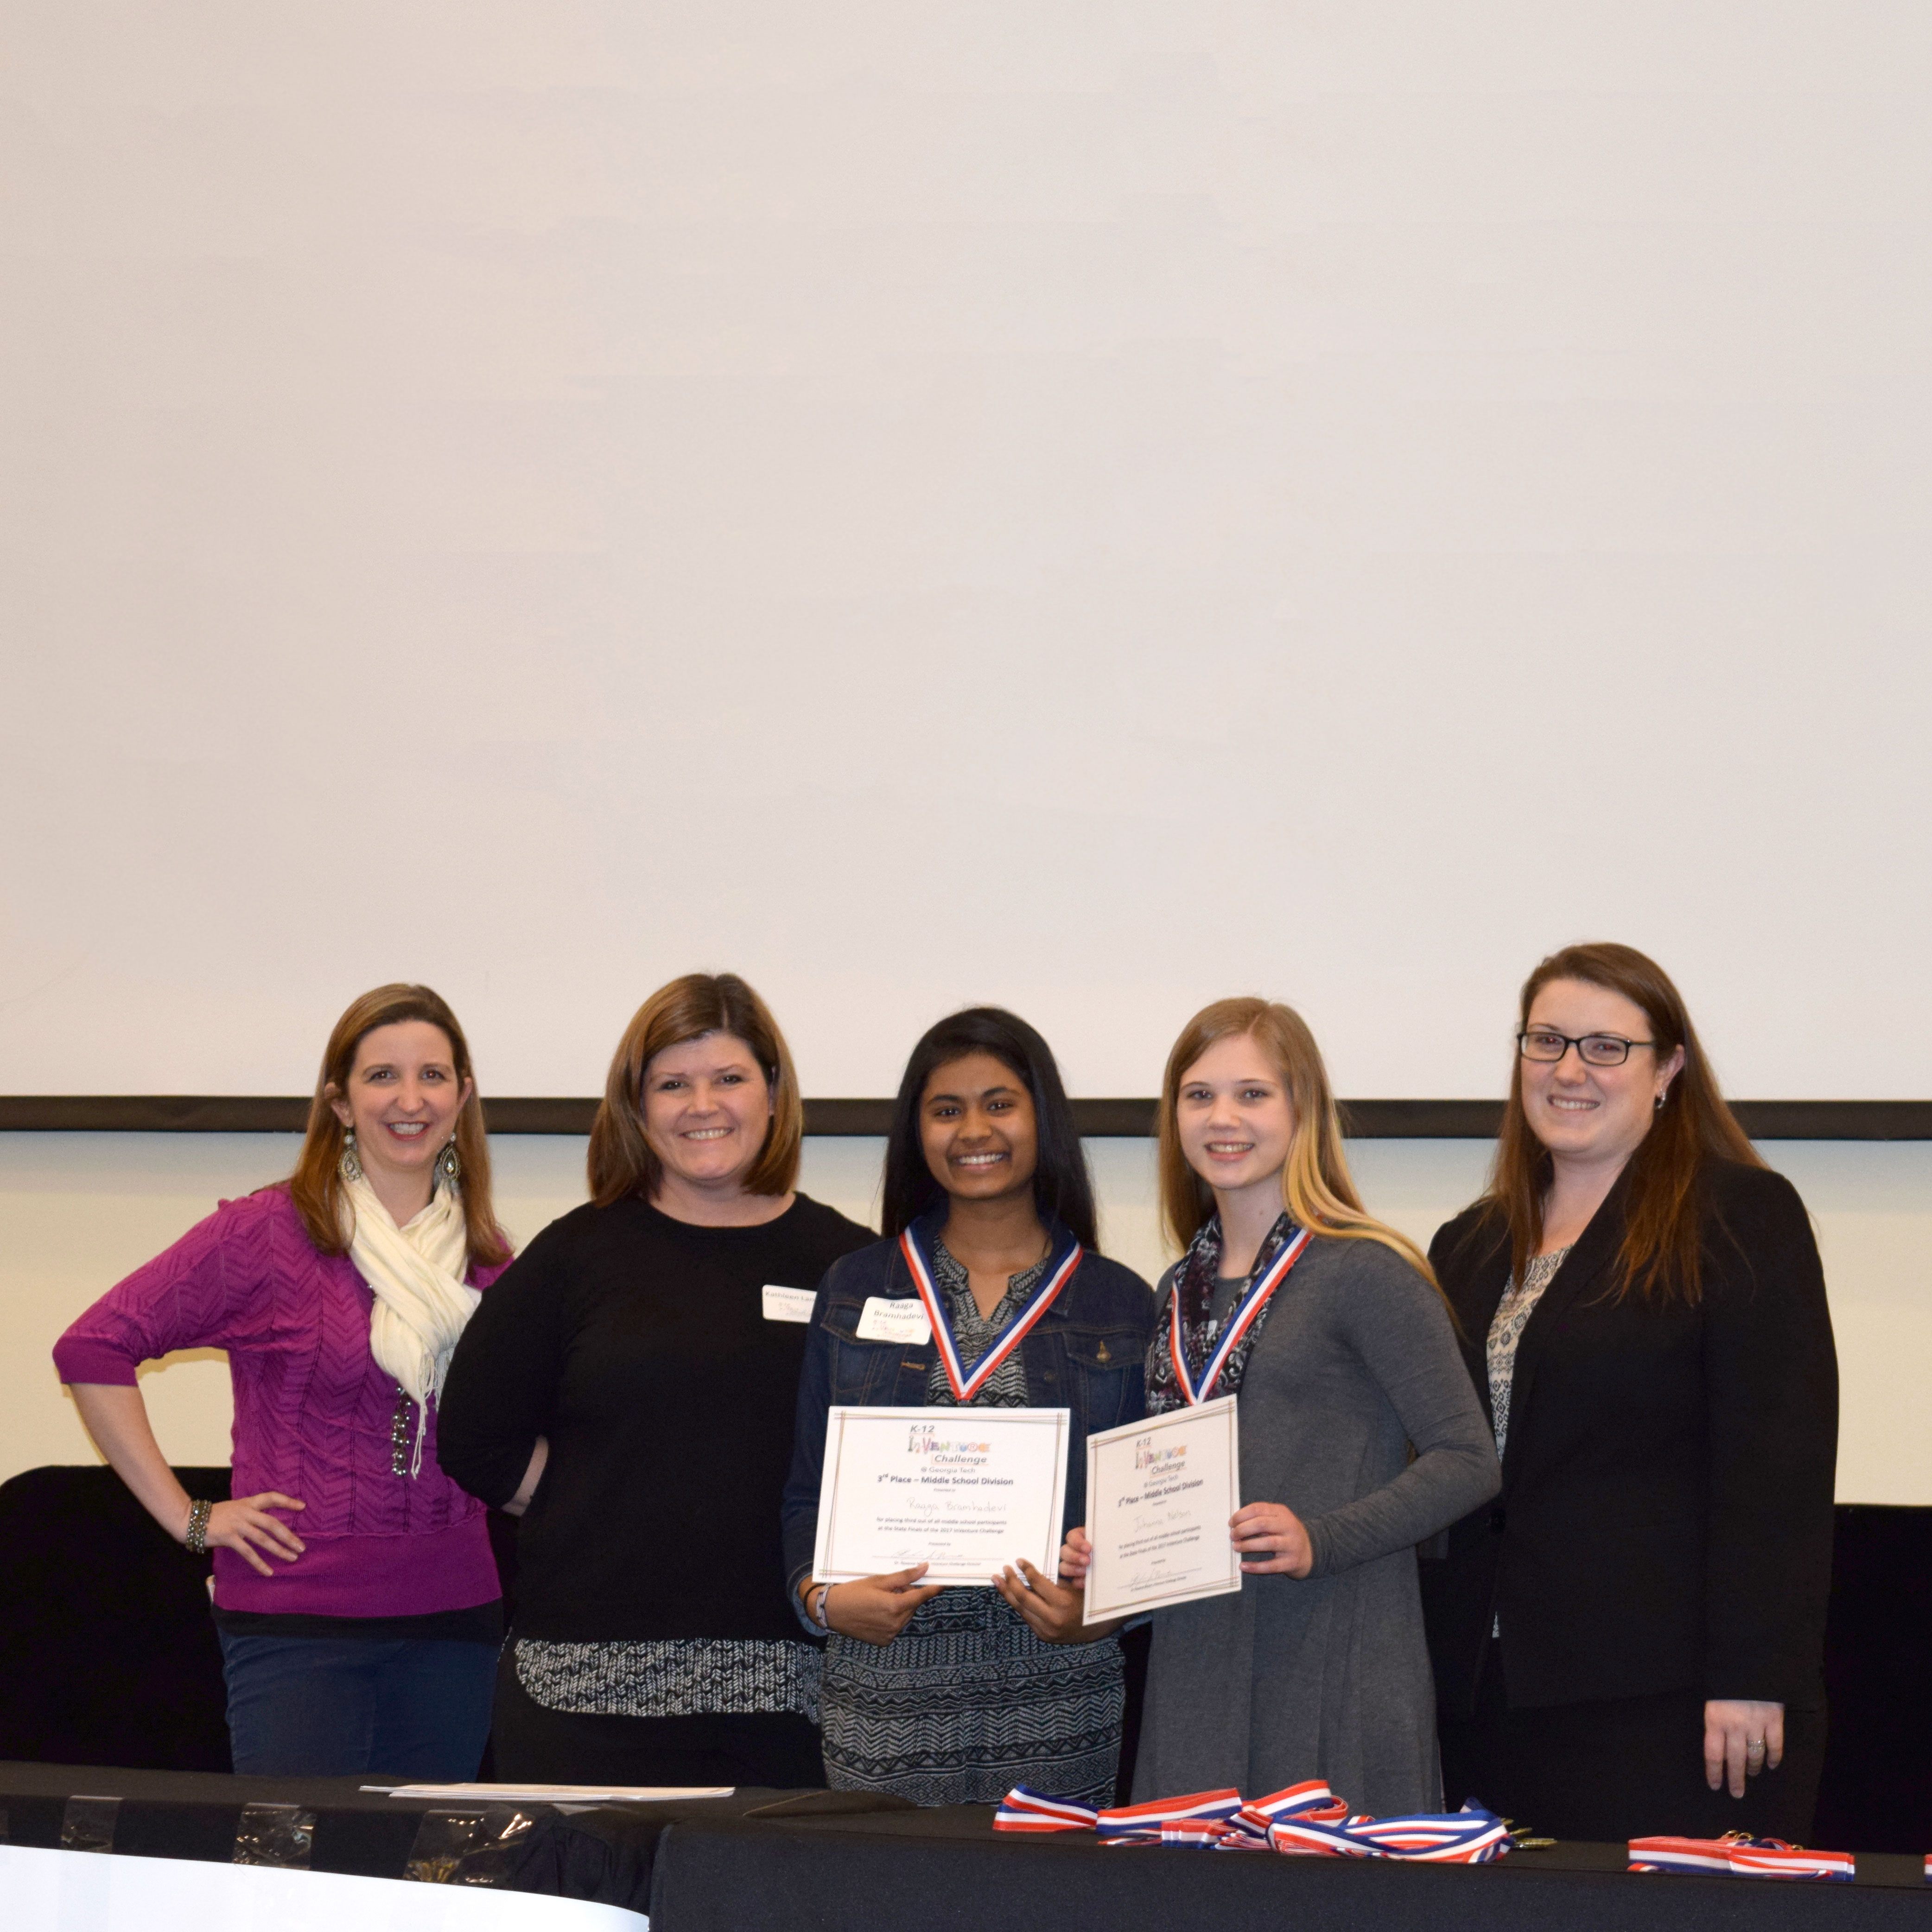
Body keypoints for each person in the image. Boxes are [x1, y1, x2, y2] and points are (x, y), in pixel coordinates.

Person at [1422, 942, 1838, 1842]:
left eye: (1605, 1046)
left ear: (1667, 1070)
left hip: (1663, 1700)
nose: (1569, 1069)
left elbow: (1777, 1465)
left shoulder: (1738, 1217)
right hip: (1481, 1696)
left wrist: (1752, 1673)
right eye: (1546, 1041)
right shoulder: (1465, 1243)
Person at [54, 985, 513, 1778]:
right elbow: (92, 1348)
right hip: (297, 1624)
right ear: (339, 1100)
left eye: (433, 1075)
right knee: (294, 1880)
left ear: (463, 1095)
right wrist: (191, 1520)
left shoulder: (487, 1257)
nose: (410, 1100)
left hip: (455, 1619)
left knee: (426, 1887)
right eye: (381, 1077)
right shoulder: (266, 1233)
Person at [1060, 997, 1500, 1815]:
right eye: (1199, 1096)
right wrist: (1110, 1556)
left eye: (1253, 1094)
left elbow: (1468, 1459)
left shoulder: (1366, 1271)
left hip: (1332, 1650)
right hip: (1197, 1665)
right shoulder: (1174, 1292)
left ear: (1303, 1112)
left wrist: (1321, 1538)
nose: (1223, 1118)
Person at [437, 972, 873, 1787]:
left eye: (730, 1079)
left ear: (774, 1094)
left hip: (793, 1707)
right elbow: (472, 1436)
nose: (703, 1104)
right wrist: (592, 1500)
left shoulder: (849, 1265)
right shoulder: (577, 1255)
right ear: (637, 1109)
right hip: (584, 1703)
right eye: (673, 1084)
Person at [781, 1008, 1154, 1806]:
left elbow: (1146, 1518)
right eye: (946, 1110)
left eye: (999, 1104)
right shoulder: (855, 1287)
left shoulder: (1119, 1303)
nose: (972, 1130)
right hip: (883, 1695)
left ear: (1041, 1119)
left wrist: (1103, 1612)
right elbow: (805, 1491)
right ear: (916, 1131)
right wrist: (822, 1600)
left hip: (1062, 1693)